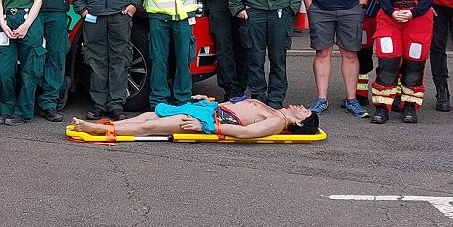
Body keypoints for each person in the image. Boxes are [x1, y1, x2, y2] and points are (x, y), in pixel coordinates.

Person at [368, 0, 437, 124]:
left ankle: (409, 107)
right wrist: (390, 11)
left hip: (418, 20)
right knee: (387, 62)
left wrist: (414, 12)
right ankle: (382, 107)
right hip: (390, 18)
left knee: (414, 64)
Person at [70, 97, 319, 140]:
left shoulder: (276, 122)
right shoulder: (275, 110)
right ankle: (108, 124)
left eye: (304, 111)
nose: (301, 106)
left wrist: (205, 127)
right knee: (150, 113)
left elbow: (246, 133)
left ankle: (98, 131)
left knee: (152, 126)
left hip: (212, 121)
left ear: (298, 122)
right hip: (210, 109)